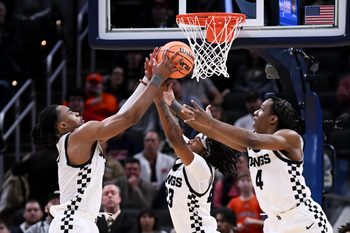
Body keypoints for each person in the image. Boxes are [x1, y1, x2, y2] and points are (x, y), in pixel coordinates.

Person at [30, 48, 179, 233]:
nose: (76, 111)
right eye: (69, 112)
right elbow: (129, 119)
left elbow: (121, 116)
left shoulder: (80, 139)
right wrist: (157, 79)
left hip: (80, 222)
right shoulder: (79, 135)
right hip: (73, 222)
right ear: (61, 126)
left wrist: (147, 80)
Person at [169, 93, 333, 233]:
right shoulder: (250, 143)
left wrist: (211, 122)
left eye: (261, 110)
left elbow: (250, 139)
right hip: (273, 223)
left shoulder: (289, 137)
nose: (255, 112)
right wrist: (171, 102)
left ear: (273, 119)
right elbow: (209, 130)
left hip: (301, 217)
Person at [153, 82, 240, 233]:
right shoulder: (191, 153)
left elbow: (175, 138)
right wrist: (169, 101)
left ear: (205, 152)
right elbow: (176, 130)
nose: (191, 140)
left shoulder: (202, 168)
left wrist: (159, 100)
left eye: (197, 140)